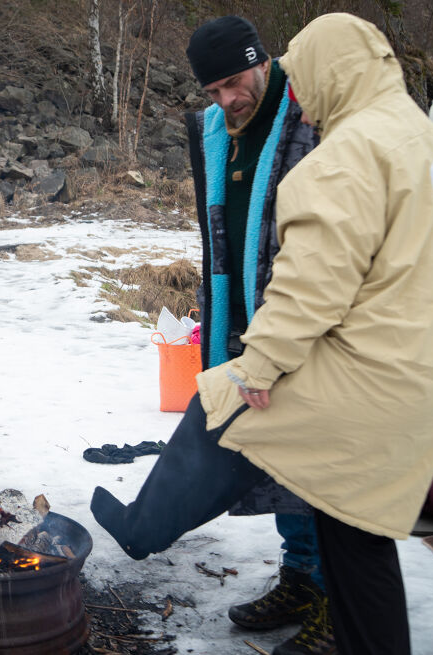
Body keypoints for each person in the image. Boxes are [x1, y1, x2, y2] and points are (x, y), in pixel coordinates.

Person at [91, 13, 433, 655]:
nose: (300, 103)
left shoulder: (341, 156)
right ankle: (305, 587)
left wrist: (261, 364)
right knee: (349, 526)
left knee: (234, 415)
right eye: (214, 89)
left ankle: (149, 528)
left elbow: (314, 279)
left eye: (301, 84)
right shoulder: (424, 140)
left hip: (358, 372)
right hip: (415, 371)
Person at [182, 16, 326, 655]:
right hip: (245, 320)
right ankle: (301, 577)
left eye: (234, 83)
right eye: (213, 91)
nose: (227, 101)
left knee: (323, 466)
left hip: (309, 325)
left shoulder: (309, 117)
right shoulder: (219, 131)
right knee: (278, 460)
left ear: (261, 62)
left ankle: (338, 599)